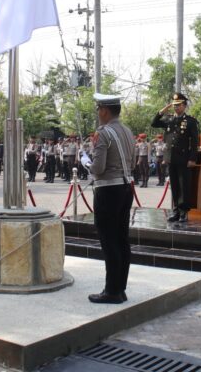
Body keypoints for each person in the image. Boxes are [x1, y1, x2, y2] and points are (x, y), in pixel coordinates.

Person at [82, 93, 135, 304]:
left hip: (108, 190)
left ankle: (112, 291)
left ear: (104, 110)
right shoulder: (127, 131)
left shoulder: (103, 133)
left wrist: (85, 161)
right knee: (122, 240)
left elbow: (98, 167)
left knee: (109, 240)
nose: (98, 113)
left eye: (98, 109)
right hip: (125, 188)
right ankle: (120, 288)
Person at [151, 93, 199, 223]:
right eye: (174, 105)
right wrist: (164, 109)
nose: (176, 107)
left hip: (184, 158)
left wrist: (192, 158)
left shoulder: (190, 121)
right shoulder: (169, 119)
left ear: (184, 106)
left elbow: (195, 142)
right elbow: (154, 123)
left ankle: (184, 212)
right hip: (170, 157)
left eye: (178, 105)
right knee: (175, 185)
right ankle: (176, 211)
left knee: (184, 185)